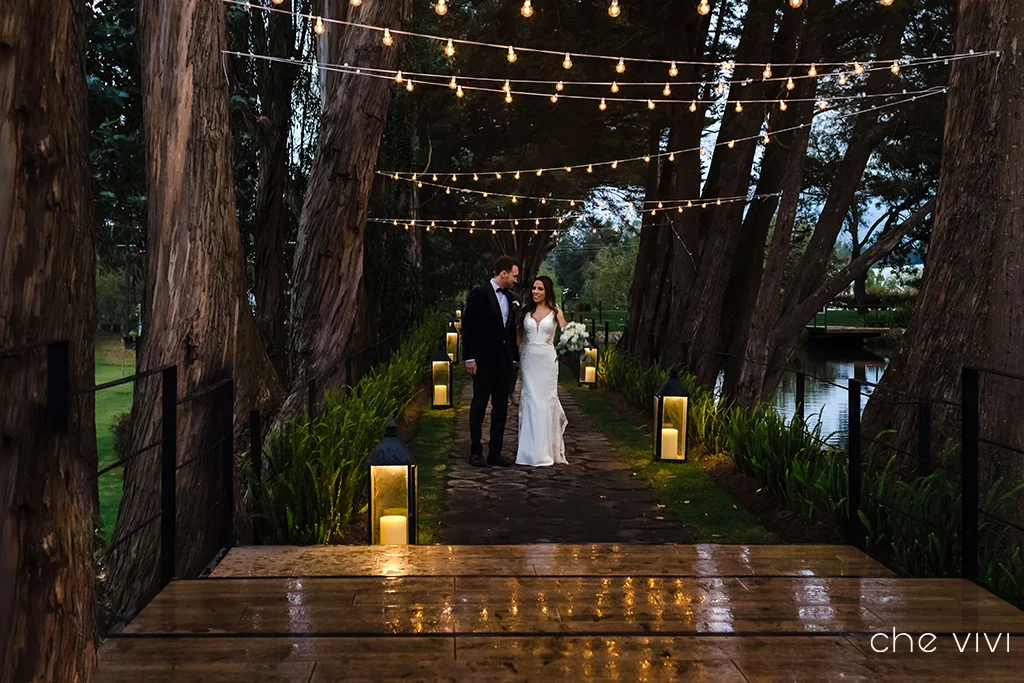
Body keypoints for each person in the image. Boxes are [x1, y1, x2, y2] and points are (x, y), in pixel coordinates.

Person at [462, 256, 519, 467]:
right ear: (503, 273)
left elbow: (509, 331)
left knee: (501, 408)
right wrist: (469, 357)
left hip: (503, 363)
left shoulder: (511, 297)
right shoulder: (478, 294)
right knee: (479, 406)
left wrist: (514, 358)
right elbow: (467, 328)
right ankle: (475, 451)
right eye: (514, 275)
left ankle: (495, 452)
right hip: (483, 361)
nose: (516, 280)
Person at [516, 276, 569, 467]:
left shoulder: (556, 312)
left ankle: (545, 450)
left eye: (540, 289)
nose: (535, 292)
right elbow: (519, 336)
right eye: (534, 288)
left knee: (545, 401)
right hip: (529, 359)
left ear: (547, 291)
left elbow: (567, 332)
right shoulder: (525, 311)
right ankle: (528, 451)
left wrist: (573, 339)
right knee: (531, 399)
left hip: (547, 360)